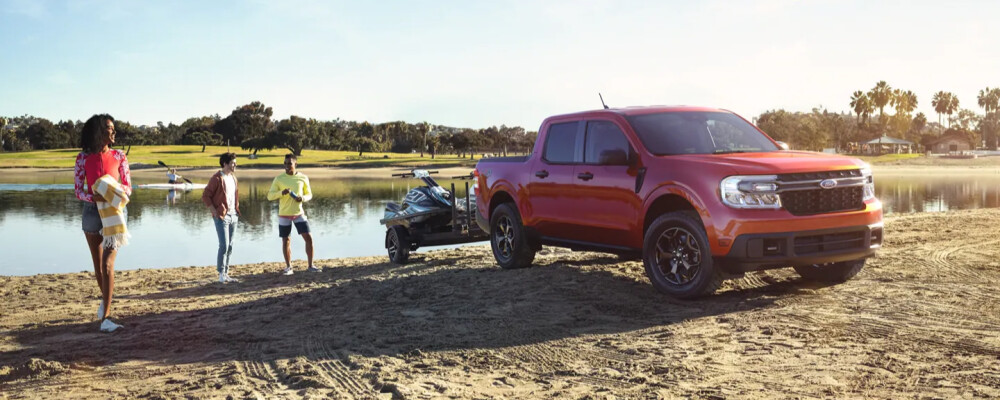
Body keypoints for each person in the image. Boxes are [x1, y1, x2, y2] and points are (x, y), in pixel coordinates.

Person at [73, 114, 131, 333]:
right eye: (108, 128)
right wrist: (94, 198)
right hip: (91, 213)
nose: (113, 132)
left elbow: (128, 187)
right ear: (98, 131)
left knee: (107, 264)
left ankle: (106, 318)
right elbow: (79, 190)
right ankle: (105, 304)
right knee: (98, 267)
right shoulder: (82, 158)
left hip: (114, 213)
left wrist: (110, 190)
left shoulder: (119, 156)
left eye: (113, 128)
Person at [266, 153, 317, 275]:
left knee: (309, 238)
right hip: (284, 214)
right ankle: (289, 267)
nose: (287, 166)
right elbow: (270, 196)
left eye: (289, 163)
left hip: (299, 213)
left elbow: (309, 194)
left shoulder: (303, 178)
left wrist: (302, 198)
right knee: (286, 240)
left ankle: (310, 265)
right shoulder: (279, 179)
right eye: (285, 163)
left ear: (295, 164)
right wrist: (281, 193)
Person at [202, 152, 241, 283]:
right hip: (222, 216)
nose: (235, 165)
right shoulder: (217, 178)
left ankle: (226, 273)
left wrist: (236, 210)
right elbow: (205, 196)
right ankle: (221, 273)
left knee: (230, 245)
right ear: (225, 164)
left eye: (235, 163)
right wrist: (214, 212)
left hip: (233, 215)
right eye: (233, 163)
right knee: (223, 245)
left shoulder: (233, 178)